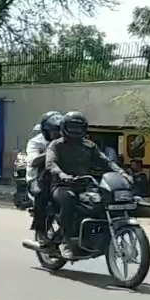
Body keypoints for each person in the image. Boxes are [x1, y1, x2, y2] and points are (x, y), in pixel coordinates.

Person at [44, 110, 127, 259]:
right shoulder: (56, 145)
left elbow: (106, 162)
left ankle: (97, 236)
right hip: (62, 186)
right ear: (64, 128)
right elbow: (51, 163)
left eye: (79, 127)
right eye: (72, 127)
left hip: (86, 185)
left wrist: (122, 173)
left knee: (102, 202)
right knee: (69, 199)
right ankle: (65, 240)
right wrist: (62, 175)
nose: (76, 131)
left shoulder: (89, 146)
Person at [24, 112, 62, 246]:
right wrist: (52, 151)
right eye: (54, 131)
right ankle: (40, 229)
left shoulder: (65, 141)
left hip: (58, 177)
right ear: (46, 131)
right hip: (37, 179)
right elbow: (33, 161)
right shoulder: (36, 142)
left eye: (60, 130)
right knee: (42, 195)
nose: (57, 133)